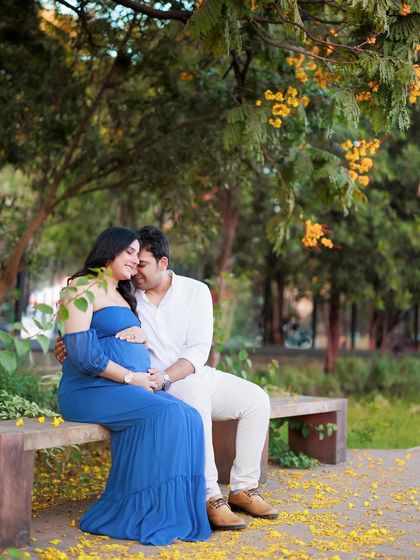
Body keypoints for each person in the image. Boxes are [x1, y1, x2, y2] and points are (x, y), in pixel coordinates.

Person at [57, 226, 278, 530]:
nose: (135, 268)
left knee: (256, 400)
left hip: (184, 374)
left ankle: (243, 487)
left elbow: (199, 349)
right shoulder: (126, 289)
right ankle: (210, 496)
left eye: (142, 262)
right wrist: (67, 344)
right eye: (131, 257)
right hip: (139, 382)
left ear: (163, 263)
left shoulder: (194, 291)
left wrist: (161, 371)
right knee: (190, 408)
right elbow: (85, 332)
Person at [57, 226, 211, 545]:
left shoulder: (124, 294)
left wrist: (138, 336)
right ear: (109, 250)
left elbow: (108, 335)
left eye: (138, 255)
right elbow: (84, 355)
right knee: (166, 416)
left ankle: (169, 510)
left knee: (189, 417)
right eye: (129, 252)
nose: (134, 261)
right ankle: (137, 508)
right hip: (88, 391)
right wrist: (132, 377)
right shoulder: (81, 288)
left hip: (122, 390)